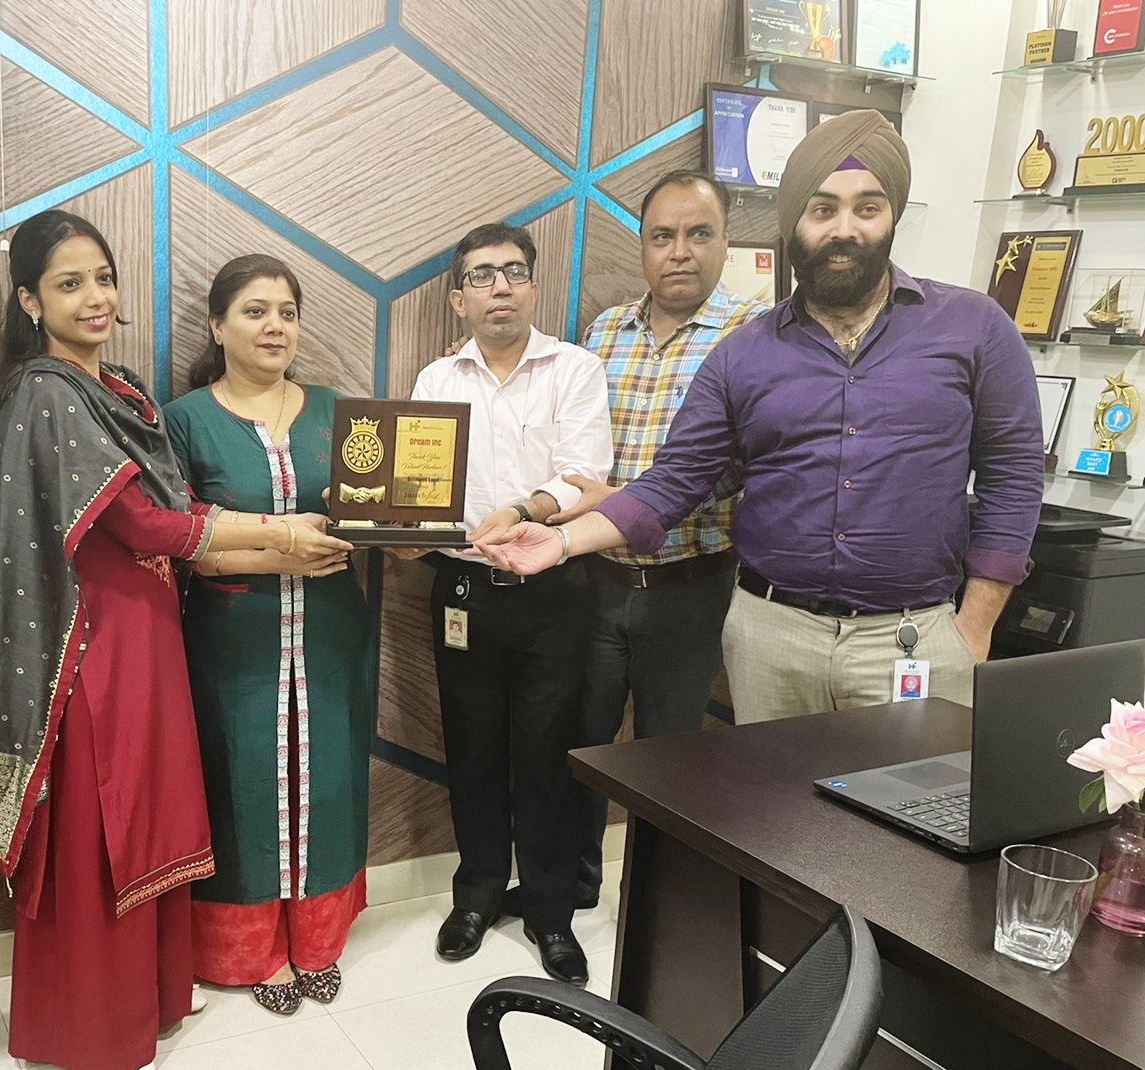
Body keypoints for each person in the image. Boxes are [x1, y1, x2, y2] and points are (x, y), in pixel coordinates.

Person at [477, 110, 1044, 722]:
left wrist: (976, 623)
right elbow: (675, 481)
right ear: (793, 223)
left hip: (915, 639)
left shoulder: (974, 327)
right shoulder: (745, 351)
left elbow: (1013, 476)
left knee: (908, 812)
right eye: (822, 209)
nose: (844, 229)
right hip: (771, 639)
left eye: (867, 208)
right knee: (772, 817)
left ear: (893, 217)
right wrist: (559, 542)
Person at [0, 214, 350, 1070]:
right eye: (69, 284)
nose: (95, 297)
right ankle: (102, 1033)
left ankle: (162, 992)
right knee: (106, 825)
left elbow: (171, 524)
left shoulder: (122, 387)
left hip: (151, 633)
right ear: (29, 300)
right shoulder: (47, 391)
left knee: (155, 814)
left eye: (103, 277)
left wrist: (277, 543)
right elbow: (141, 521)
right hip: (88, 650)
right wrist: (279, 534)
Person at [552, 170, 766, 913]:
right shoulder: (605, 331)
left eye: (699, 234)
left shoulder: (757, 335)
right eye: (663, 236)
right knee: (583, 747)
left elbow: (748, 464)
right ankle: (570, 891)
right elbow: (566, 436)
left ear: (726, 242)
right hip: (597, 583)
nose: (680, 252)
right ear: (641, 247)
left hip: (690, 587)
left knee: (672, 759)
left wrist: (622, 503)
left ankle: (657, 907)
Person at [166, 255, 369, 1016]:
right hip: (231, 637)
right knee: (242, 780)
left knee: (328, 775)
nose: (274, 325)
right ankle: (250, 951)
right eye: (254, 311)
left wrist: (407, 534)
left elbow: (371, 517)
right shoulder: (184, 420)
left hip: (331, 632)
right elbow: (180, 540)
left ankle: (317, 938)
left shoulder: (335, 412)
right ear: (218, 325)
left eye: (286, 310)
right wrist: (283, 545)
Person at [412, 223, 612, 985]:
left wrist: (527, 510)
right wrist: (389, 520)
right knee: (471, 750)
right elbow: (419, 491)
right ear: (457, 297)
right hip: (462, 588)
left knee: (546, 755)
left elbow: (586, 475)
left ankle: (552, 913)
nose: (500, 287)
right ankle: (478, 893)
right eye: (483, 275)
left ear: (534, 287)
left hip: (553, 589)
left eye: (515, 273)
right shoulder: (438, 382)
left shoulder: (574, 369)